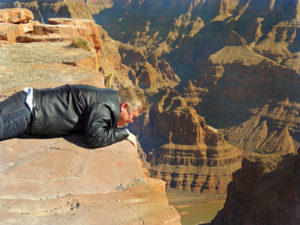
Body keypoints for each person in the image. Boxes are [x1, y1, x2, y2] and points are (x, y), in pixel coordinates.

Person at [0, 84, 148, 148]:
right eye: (133, 116)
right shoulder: (105, 106)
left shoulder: (109, 99)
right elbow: (94, 138)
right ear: (124, 106)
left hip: (29, 109)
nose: (132, 121)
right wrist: (124, 133)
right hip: (28, 111)